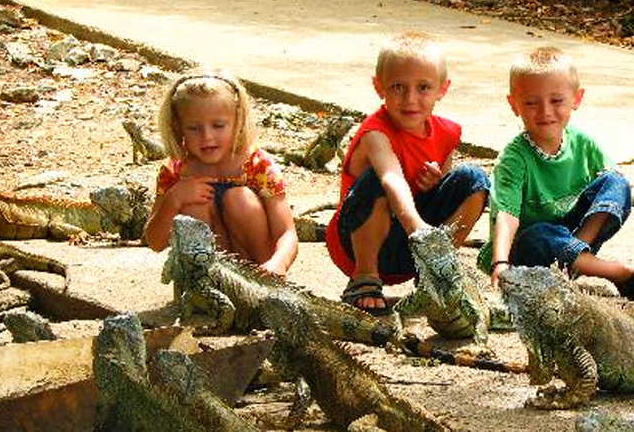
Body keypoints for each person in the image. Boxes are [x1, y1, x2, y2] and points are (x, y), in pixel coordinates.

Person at [479, 47, 634, 301]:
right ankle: (621, 273)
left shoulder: (583, 143)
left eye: (556, 101)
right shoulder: (514, 157)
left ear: (576, 98)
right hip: (528, 253)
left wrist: (573, 244)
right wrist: (500, 262)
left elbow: (610, 187)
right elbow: (506, 215)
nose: (545, 111)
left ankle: (573, 256)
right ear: (514, 104)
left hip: (571, 240)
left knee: (616, 182)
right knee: (540, 234)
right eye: (531, 103)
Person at [325, 31, 490, 315]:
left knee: (475, 180)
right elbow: (391, 177)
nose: (410, 99)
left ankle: (435, 273)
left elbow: (443, 188)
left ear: (443, 88)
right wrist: (418, 228)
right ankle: (364, 278)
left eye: (424, 87)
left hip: (412, 248)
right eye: (398, 86)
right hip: (357, 244)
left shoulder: (447, 132)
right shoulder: (375, 132)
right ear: (379, 87)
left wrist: (435, 183)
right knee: (378, 179)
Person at [143, 68, 298, 276]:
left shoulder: (258, 165)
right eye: (194, 128)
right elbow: (154, 242)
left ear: (238, 122)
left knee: (239, 198)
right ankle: (202, 281)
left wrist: (278, 263)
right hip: (203, 278)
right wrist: (174, 199)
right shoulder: (176, 171)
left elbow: (287, 233)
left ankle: (264, 284)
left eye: (218, 125)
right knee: (192, 202)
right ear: (178, 127)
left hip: (259, 270)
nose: (207, 136)